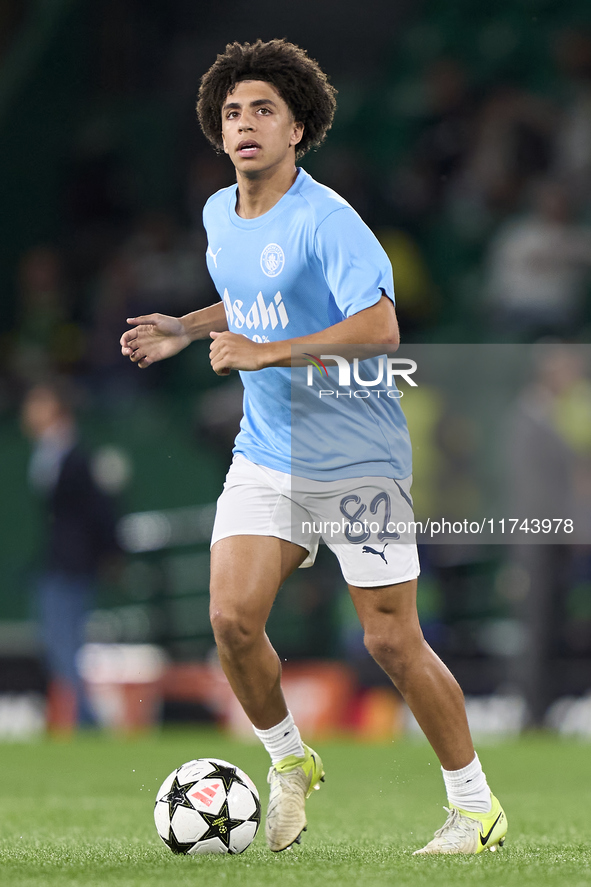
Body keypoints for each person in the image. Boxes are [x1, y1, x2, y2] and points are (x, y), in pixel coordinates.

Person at [120, 39, 507, 855]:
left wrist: (267, 353)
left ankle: (474, 805)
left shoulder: (330, 219)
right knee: (230, 617)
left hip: (355, 454)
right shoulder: (217, 213)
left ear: (297, 127)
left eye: (263, 109)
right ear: (217, 132)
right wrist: (185, 329)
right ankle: (291, 760)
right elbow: (246, 295)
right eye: (232, 112)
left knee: (390, 640)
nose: (245, 124)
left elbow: (379, 326)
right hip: (267, 450)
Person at [22, 382, 120, 732]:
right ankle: (84, 718)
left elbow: (101, 510)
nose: (28, 412)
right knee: (58, 645)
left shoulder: (77, 454)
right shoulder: (50, 451)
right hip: (55, 562)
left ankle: (88, 721)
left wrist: (109, 554)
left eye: (38, 403)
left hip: (72, 565)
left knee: (65, 645)